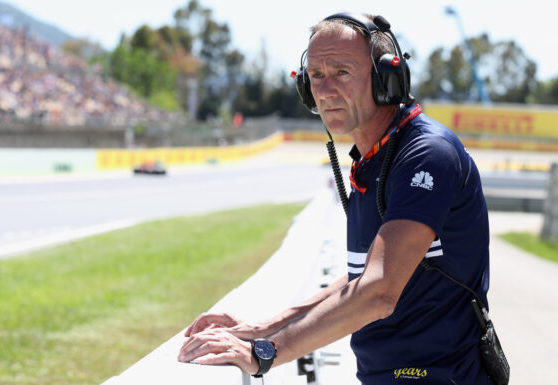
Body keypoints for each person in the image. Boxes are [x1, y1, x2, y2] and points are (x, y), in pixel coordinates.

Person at [178, 12, 494, 384]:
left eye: (342, 72)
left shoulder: (428, 153)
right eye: (316, 76)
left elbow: (378, 291)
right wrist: (266, 325)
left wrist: (266, 352)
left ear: (386, 80)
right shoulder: (375, 158)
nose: (325, 92)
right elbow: (364, 275)